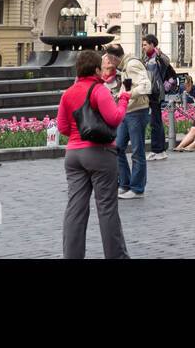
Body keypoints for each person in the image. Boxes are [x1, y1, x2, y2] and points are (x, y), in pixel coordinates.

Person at [58, 49, 131, 259]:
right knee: (107, 208)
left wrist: (77, 132)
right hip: (99, 153)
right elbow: (115, 118)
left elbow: (62, 127)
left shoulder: (68, 92)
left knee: (75, 209)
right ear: (96, 68)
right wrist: (124, 97)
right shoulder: (99, 90)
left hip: (73, 155)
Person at [103, 43, 151, 199]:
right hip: (128, 111)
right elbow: (130, 85)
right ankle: (124, 184)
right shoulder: (126, 66)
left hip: (137, 111)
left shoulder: (132, 65)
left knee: (137, 151)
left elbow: (146, 86)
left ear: (114, 57)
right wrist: (123, 93)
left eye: (109, 59)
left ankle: (137, 189)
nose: (109, 63)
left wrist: (128, 94)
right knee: (117, 148)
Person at [144, 33, 176, 161]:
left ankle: (157, 149)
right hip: (150, 92)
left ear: (152, 44)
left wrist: (160, 55)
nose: (143, 47)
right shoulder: (147, 58)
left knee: (155, 122)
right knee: (156, 122)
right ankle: (159, 149)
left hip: (155, 93)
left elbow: (166, 62)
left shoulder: (157, 57)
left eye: (145, 44)